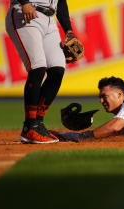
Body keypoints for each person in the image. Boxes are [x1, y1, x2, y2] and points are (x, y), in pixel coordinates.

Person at [5, 0, 76, 143]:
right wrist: (24, 2)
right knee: (38, 67)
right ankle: (30, 126)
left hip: (50, 19)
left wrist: (69, 30)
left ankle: (38, 124)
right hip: (26, 13)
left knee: (57, 69)